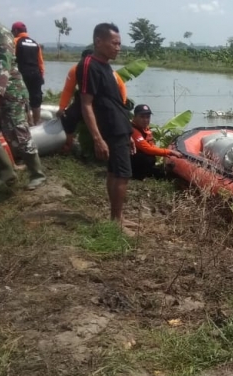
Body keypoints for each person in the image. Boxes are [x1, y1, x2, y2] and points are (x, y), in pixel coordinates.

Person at [0, 0, 46, 191]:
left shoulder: (0, 32)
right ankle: (6, 174)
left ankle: (37, 174)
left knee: (18, 134)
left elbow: (3, 63)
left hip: (8, 93)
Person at [78, 23, 136, 231]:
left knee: (114, 172)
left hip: (119, 127)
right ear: (98, 41)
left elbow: (113, 101)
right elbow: (86, 104)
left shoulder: (105, 65)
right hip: (110, 129)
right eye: (114, 43)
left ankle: (116, 217)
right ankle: (116, 222)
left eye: (120, 43)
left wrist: (127, 131)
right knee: (122, 174)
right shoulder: (89, 65)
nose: (118, 47)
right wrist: (97, 138)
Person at [58, 48, 127, 154]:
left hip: (106, 103)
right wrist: (62, 107)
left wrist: (121, 108)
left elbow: (121, 88)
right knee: (68, 117)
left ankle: (110, 151)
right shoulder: (76, 69)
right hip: (85, 101)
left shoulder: (109, 72)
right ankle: (68, 144)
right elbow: (68, 90)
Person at [129, 104, 182, 179]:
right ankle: (136, 175)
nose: (145, 120)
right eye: (142, 117)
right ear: (135, 117)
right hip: (129, 159)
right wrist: (169, 152)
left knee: (151, 158)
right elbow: (147, 149)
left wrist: (164, 152)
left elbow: (152, 146)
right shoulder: (133, 130)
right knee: (147, 158)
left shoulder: (145, 129)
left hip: (137, 158)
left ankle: (149, 173)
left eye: (148, 117)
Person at [10, 21, 44, 125]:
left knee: (23, 98)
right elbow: (40, 62)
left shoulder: (14, 41)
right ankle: (37, 121)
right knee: (36, 98)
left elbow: (10, 59)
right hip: (36, 74)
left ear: (15, 31)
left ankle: (28, 122)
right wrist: (41, 76)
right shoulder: (35, 43)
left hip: (22, 74)